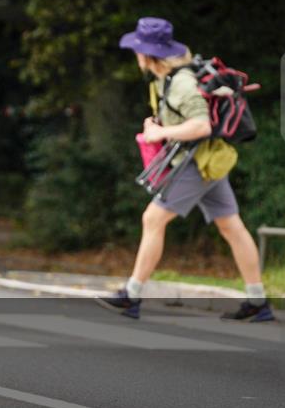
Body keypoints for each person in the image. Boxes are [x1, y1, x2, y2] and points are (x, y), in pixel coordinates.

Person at [98, 17, 273, 322]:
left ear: (149, 55)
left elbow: (201, 126)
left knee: (152, 219)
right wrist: (157, 125)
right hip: (209, 161)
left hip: (196, 164)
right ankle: (258, 303)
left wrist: (160, 133)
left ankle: (131, 296)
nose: (136, 55)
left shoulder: (181, 83)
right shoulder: (164, 79)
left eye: (138, 50)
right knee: (231, 227)